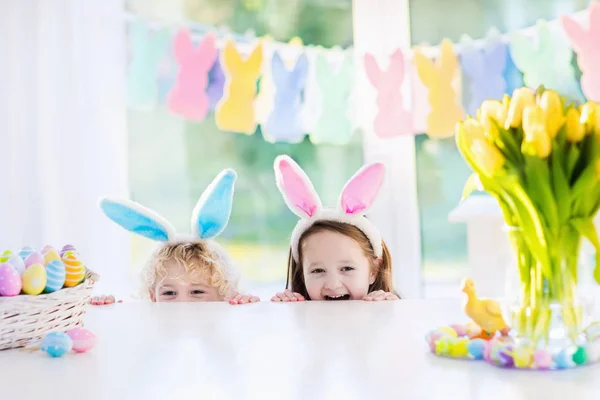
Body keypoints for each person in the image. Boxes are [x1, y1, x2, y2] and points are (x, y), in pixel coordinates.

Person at [93, 168, 258, 305]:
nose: (182, 303)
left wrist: (247, 309)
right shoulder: (152, 322)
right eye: (170, 293)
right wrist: (110, 311)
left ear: (225, 296)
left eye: (197, 291)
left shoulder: (226, 321)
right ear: (153, 297)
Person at [270, 155, 399, 302]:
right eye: (317, 271)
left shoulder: (388, 312)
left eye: (347, 268)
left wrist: (388, 315)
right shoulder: (296, 312)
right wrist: (287, 313)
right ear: (302, 275)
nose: (333, 285)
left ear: (373, 271)